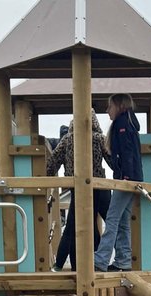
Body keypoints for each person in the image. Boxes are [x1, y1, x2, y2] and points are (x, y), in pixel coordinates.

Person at [45, 108, 113, 270]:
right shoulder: (98, 139)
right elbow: (112, 161)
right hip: (97, 186)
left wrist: (45, 180)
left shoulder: (68, 139)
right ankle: (99, 261)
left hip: (76, 186)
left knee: (72, 225)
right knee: (106, 222)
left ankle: (65, 265)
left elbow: (52, 163)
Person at [93, 93, 143, 273]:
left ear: (119, 106)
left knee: (112, 218)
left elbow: (126, 152)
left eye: (109, 107)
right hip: (132, 178)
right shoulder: (129, 123)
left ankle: (100, 259)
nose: (107, 111)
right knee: (122, 221)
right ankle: (123, 260)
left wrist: (126, 177)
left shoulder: (122, 125)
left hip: (126, 179)